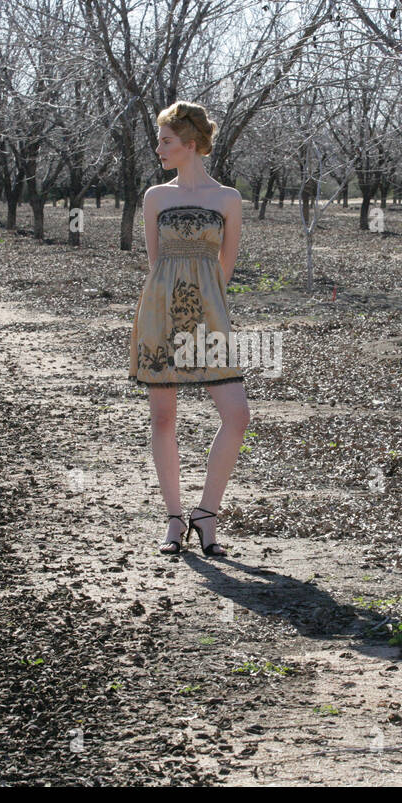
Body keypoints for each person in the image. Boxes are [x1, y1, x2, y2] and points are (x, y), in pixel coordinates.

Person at [128, 101, 251, 558]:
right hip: (160, 311)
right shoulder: (156, 196)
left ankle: (207, 513)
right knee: (163, 417)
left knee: (237, 416)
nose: (159, 148)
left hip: (210, 314)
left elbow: (226, 266)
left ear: (191, 144)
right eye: (160, 140)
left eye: (166, 141)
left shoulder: (228, 199)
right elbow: (155, 263)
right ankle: (175, 520)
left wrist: (206, 310)